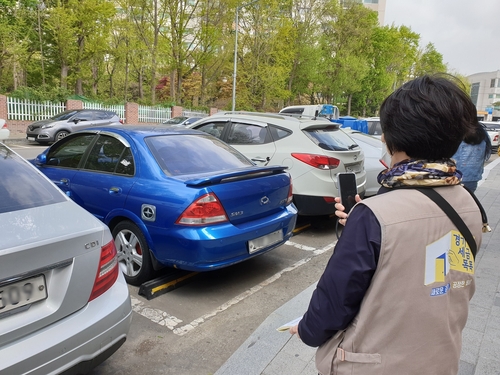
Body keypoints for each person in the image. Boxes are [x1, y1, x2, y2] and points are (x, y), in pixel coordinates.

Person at [289, 74, 484, 375]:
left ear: (392, 137)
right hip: (441, 360)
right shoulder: (470, 203)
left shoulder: (374, 216)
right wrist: (363, 221)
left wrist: (306, 330)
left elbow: (333, 303)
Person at [452, 123, 491, 192]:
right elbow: (486, 153)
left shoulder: (454, 130)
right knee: (466, 201)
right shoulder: (482, 132)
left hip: (452, 177)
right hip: (473, 178)